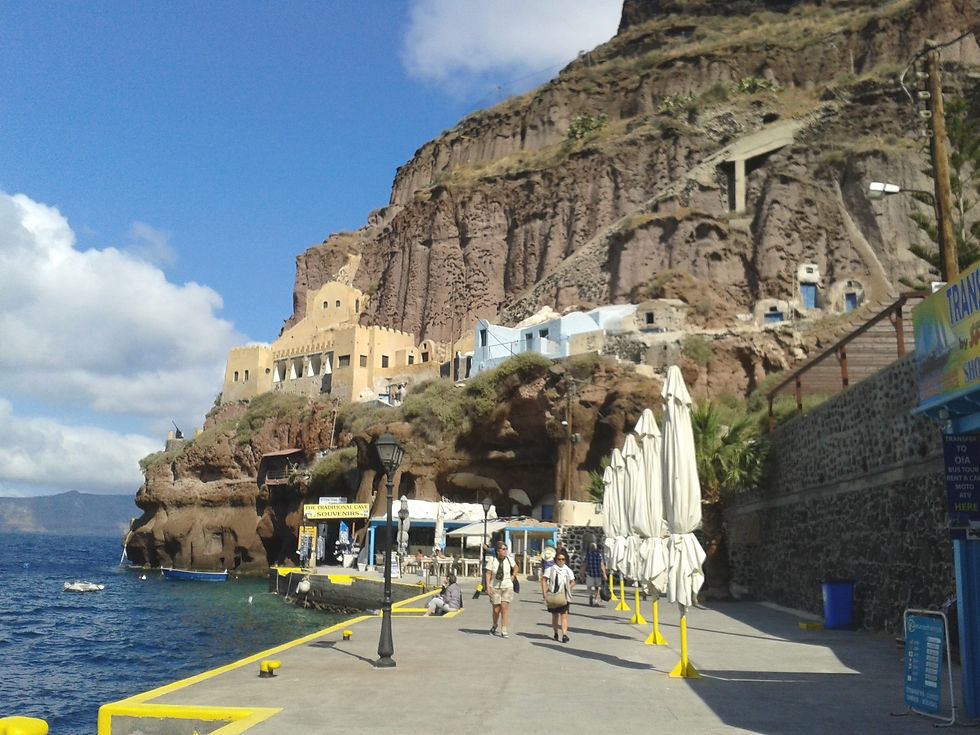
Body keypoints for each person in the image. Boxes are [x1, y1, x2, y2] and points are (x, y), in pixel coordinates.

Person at [485, 541, 517, 637]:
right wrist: (487, 587)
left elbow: (516, 568)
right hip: (495, 586)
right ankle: (495, 625)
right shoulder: (492, 560)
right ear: (498, 551)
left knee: (504, 608)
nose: (505, 551)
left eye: (505, 549)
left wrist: (513, 576)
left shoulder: (509, 559)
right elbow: (488, 574)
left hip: (507, 586)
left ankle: (504, 629)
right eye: (503, 549)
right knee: (496, 609)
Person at [543, 551, 576, 642]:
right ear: (555, 560)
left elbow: (573, 581)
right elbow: (544, 580)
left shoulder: (568, 570)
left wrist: (567, 588)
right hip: (553, 594)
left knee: (564, 615)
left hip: (564, 596)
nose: (561, 561)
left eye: (563, 559)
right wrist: (544, 593)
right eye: (559, 559)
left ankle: (564, 634)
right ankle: (555, 632)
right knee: (555, 615)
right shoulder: (550, 569)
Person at [580, 542, 607, 607]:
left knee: (589, 587)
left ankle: (591, 595)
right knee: (597, 588)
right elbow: (602, 565)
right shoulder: (599, 555)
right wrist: (604, 574)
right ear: (596, 548)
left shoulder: (588, 555)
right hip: (598, 574)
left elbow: (584, 565)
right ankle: (596, 600)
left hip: (590, 574)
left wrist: (583, 574)